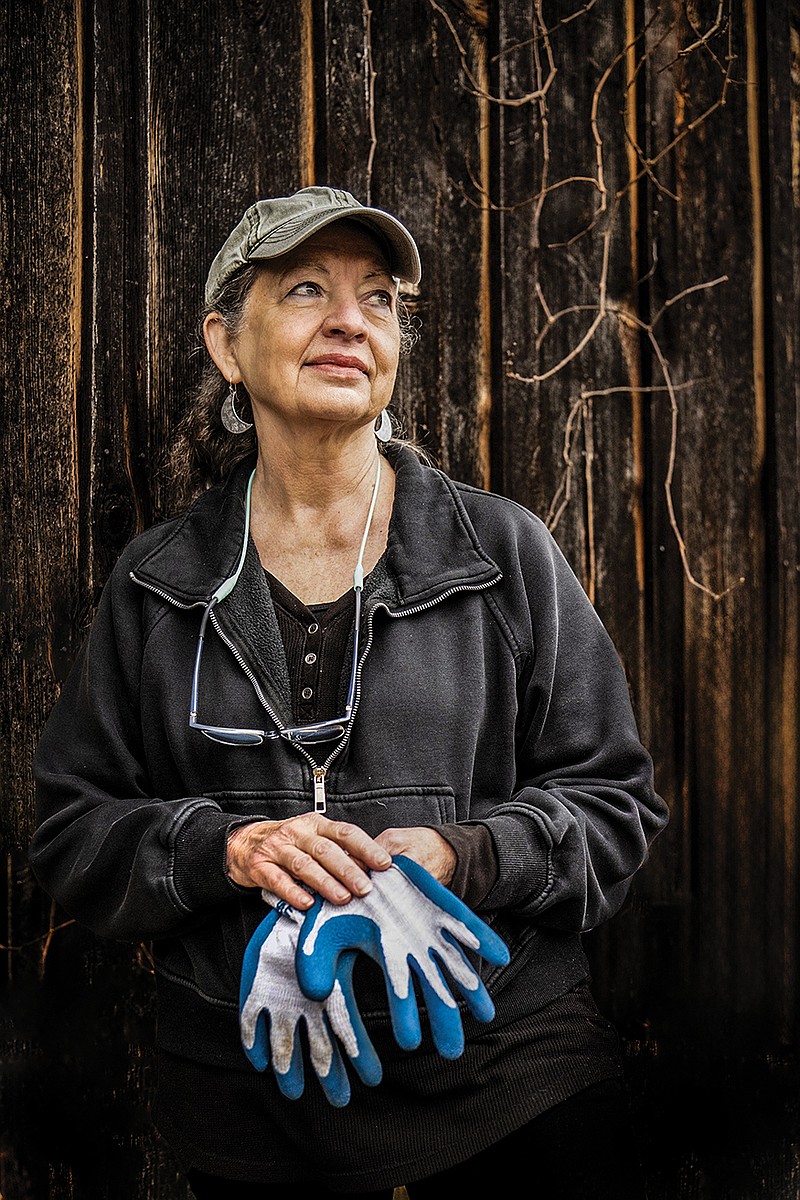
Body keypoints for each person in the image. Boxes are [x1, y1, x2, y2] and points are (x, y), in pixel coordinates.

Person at [30, 185, 669, 1198]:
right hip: (255, 1094)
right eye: (305, 291)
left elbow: (613, 806)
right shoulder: (158, 583)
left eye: (377, 299)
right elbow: (72, 829)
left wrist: (462, 855)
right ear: (226, 344)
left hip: (505, 1070)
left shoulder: (500, 554)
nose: (349, 321)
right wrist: (228, 850)